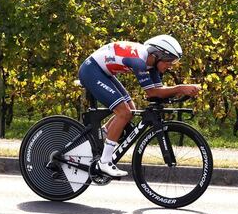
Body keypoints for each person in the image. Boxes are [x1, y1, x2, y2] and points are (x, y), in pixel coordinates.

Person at [77, 34, 201, 177]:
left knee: (131, 109)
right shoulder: (139, 61)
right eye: (168, 62)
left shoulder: (152, 64)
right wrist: (180, 88)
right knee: (124, 113)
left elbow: (156, 94)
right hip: (91, 71)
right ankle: (104, 162)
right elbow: (152, 92)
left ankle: (102, 134)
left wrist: (182, 93)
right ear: (157, 55)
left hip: (103, 73)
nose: (169, 66)